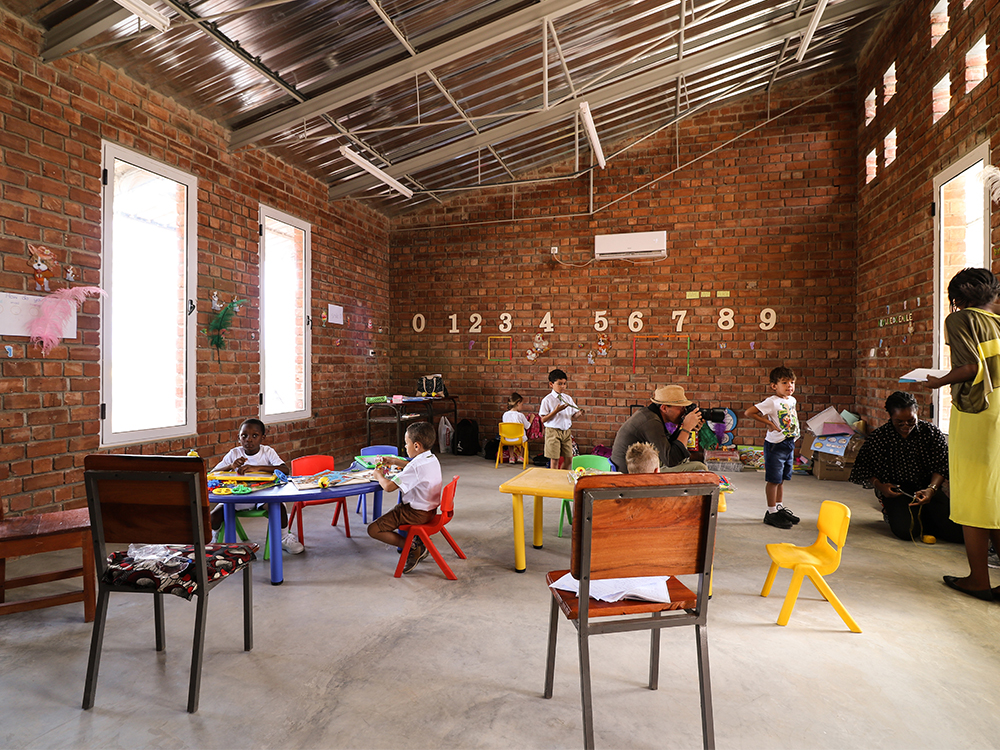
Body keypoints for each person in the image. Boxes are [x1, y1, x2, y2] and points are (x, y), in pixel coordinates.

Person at [925, 268, 1000, 600]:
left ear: (955, 298)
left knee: (973, 497)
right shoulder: (997, 321)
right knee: (996, 495)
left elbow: (969, 368)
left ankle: (979, 580)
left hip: (978, 414)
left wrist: (936, 382)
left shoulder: (959, 320)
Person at [849, 391, 962, 543]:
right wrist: (881, 487)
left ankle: (925, 516)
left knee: (957, 534)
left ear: (917, 412)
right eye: (899, 422)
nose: (905, 426)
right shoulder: (880, 438)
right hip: (897, 491)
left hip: (927, 488)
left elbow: (941, 465)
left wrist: (931, 489)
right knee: (907, 531)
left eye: (911, 421)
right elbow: (864, 467)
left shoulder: (931, 433)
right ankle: (893, 512)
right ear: (890, 416)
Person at [210, 418, 303, 554]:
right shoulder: (234, 453)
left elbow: (284, 470)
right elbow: (213, 473)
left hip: (263, 497)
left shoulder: (267, 452)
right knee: (214, 516)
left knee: (280, 509)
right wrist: (231, 466)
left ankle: (284, 538)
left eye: (255, 436)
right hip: (237, 498)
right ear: (239, 438)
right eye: (244, 436)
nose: (249, 439)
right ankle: (213, 540)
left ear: (262, 437)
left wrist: (257, 467)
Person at [368, 422, 443, 573]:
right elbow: (414, 467)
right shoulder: (431, 458)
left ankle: (413, 546)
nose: (404, 447)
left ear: (416, 446)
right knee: (394, 510)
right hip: (430, 511)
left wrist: (378, 475)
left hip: (415, 514)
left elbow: (388, 487)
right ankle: (416, 544)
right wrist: (395, 461)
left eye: (406, 443)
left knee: (373, 529)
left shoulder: (415, 467)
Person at [744, 366, 800, 530]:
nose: (789, 386)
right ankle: (770, 512)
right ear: (774, 386)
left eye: (792, 382)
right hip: (776, 446)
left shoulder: (792, 400)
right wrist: (768, 423)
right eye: (784, 383)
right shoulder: (771, 401)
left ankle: (779, 508)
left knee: (781, 479)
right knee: (773, 480)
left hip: (789, 443)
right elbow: (749, 412)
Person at [610, 385, 706, 473]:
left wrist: (689, 429)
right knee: (699, 468)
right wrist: (687, 428)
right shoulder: (650, 421)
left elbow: (670, 447)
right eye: (681, 408)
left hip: (640, 465)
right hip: (630, 473)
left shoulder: (650, 415)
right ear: (664, 408)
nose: (683, 412)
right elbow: (670, 460)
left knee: (684, 460)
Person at [539, 369, 583, 469]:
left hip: (566, 433)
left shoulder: (568, 398)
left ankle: (562, 477)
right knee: (554, 460)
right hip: (553, 432)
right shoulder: (547, 400)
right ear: (551, 384)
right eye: (559, 384)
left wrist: (579, 413)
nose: (563, 386)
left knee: (569, 458)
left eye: (564, 383)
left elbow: (573, 416)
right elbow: (543, 419)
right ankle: (554, 481)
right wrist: (556, 411)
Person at [501, 392, 531, 463]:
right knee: (526, 440)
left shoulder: (505, 415)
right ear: (518, 403)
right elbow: (527, 426)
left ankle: (511, 457)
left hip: (506, 439)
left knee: (510, 440)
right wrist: (531, 418)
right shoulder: (520, 415)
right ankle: (521, 456)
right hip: (519, 439)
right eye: (522, 404)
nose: (522, 406)